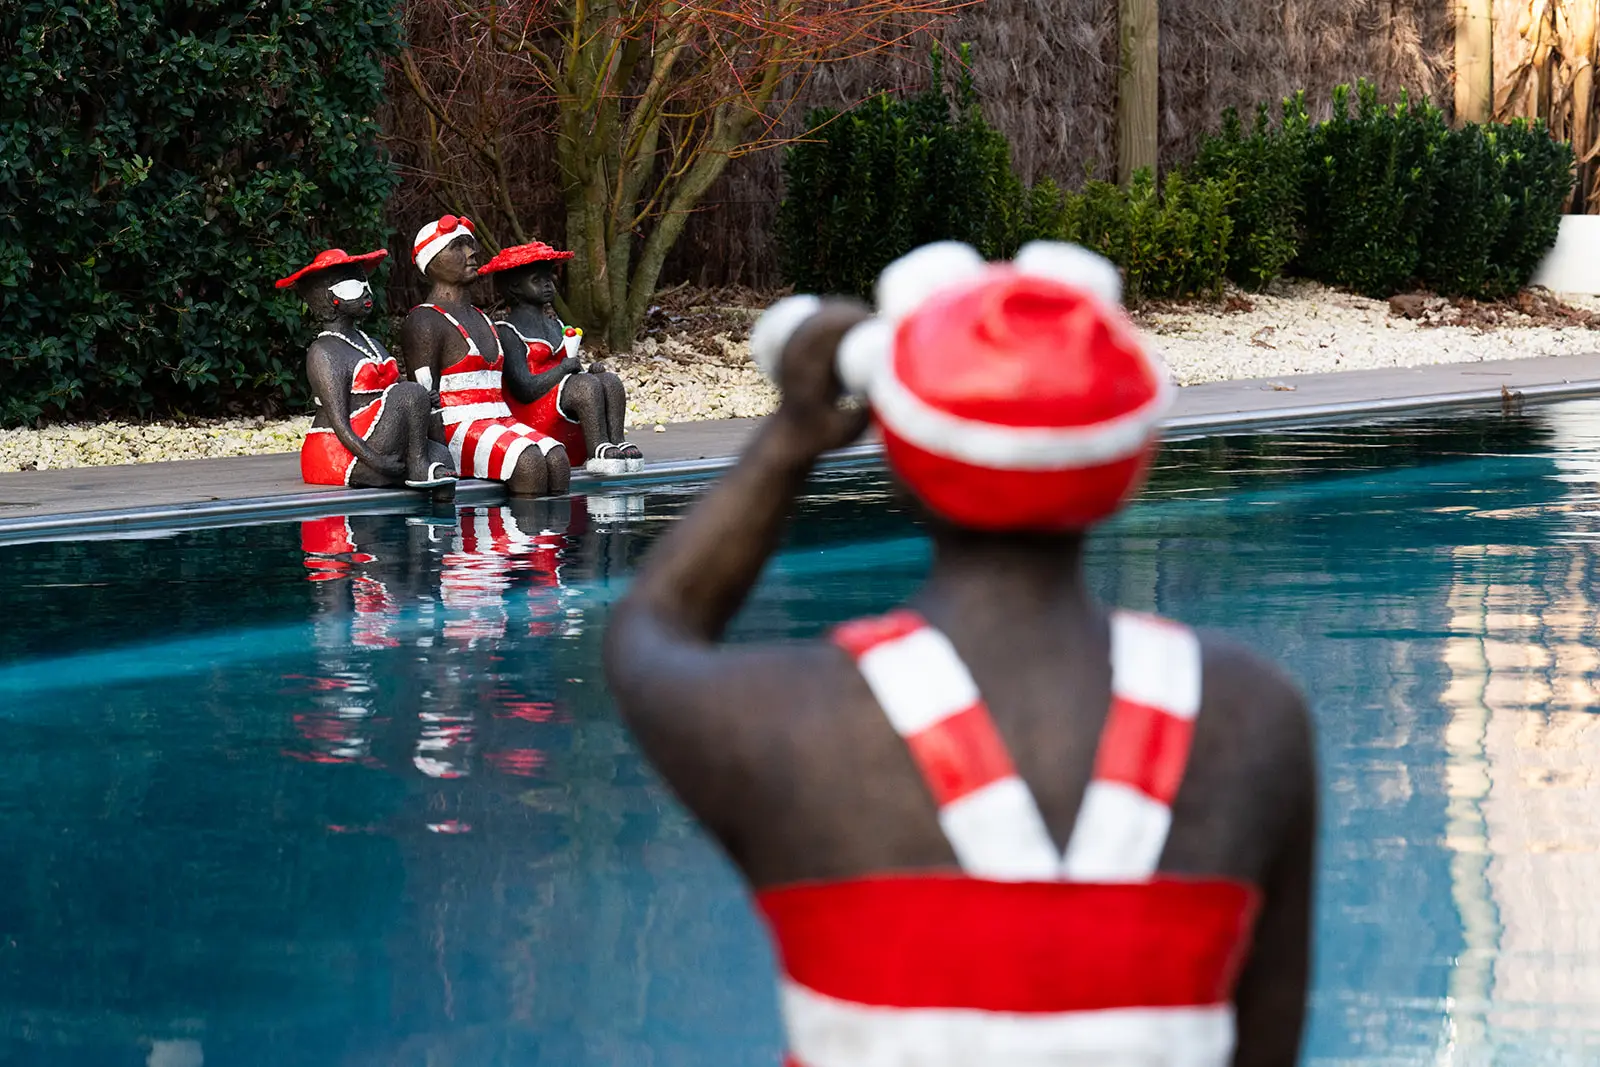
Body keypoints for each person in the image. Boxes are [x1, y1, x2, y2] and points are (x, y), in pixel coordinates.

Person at [603, 241, 1317, 1067]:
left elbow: (647, 636)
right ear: (1127, 460)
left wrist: (792, 438)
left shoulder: (798, 726)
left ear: (904, 466)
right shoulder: (1253, 720)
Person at [400, 215, 570, 496]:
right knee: (528, 462)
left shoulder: (483, 318)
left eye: (470, 245)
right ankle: (518, 538)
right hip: (456, 429)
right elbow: (422, 396)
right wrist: (433, 456)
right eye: (457, 246)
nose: (471, 252)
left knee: (557, 458)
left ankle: (550, 538)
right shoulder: (425, 320)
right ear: (432, 262)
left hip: (500, 420)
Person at [279, 248, 456, 489]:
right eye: (354, 285)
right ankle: (413, 469)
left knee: (442, 458)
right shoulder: (324, 351)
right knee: (411, 396)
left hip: (380, 436)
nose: (365, 290)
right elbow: (339, 422)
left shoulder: (372, 344)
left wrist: (425, 398)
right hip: (342, 450)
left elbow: (399, 391)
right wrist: (377, 461)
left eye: (365, 282)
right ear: (331, 298)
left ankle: (430, 517)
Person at [478, 240, 643, 474]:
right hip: (533, 410)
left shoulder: (555, 324)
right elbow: (524, 388)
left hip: (560, 395)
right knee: (584, 386)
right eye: (537, 280)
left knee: (609, 381)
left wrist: (585, 371)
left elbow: (571, 370)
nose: (547, 285)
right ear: (514, 288)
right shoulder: (507, 330)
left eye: (549, 279)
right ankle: (598, 448)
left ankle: (616, 441)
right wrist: (566, 369)